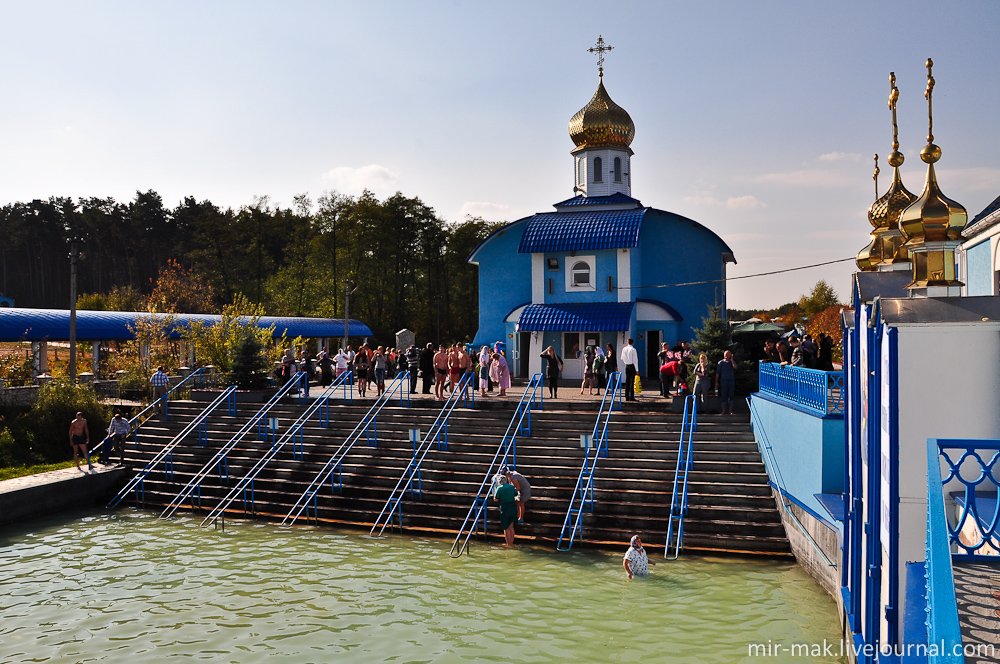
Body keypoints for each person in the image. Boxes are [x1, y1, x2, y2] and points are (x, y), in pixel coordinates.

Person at [492, 474, 518, 546]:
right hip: (513, 507)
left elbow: (496, 499)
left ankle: (508, 543)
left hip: (505, 508)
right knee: (511, 527)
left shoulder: (499, 489)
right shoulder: (511, 487)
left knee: (506, 527)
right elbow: (515, 494)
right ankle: (511, 543)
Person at [716, 349, 737, 415]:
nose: (726, 356)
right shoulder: (721, 363)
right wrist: (716, 381)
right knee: (724, 395)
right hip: (723, 381)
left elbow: (735, 367)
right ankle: (723, 409)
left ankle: (731, 410)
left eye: (728, 355)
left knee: (731, 395)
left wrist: (732, 359)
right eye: (725, 355)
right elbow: (717, 373)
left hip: (731, 380)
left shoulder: (731, 362)